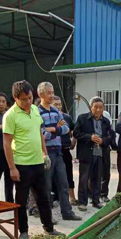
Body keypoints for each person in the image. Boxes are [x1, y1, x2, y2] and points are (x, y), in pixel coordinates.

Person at [3, 80, 60, 239]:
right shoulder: (10, 116)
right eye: (24, 99)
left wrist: (44, 153)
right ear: (15, 98)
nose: (28, 102)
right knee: (21, 201)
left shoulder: (35, 109)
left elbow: (39, 133)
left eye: (29, 98)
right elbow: (6, 143)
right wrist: (12, 168)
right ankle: (23, 232)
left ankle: (49, 228)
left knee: (44, 197)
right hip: (22, 165)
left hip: (38, 163)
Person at [37, 82, 81, 221]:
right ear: (41, 94)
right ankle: (47, 217)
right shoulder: (37, 112)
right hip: (46, 153)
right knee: (46, 186)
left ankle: (67, 212)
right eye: (49, 93)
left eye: (52, 92)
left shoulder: (55, 111)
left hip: (58, 151)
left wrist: (53, 129)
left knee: (64, 183)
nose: (52, 95)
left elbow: (66, 129)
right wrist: (56, 130)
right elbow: (41, 134)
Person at [73, 97, 114, 211]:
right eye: (95, 107)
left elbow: (110, 137)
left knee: (97, 178)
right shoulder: (82, 118)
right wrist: (89, 137)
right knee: (84, 178)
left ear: (103, 108)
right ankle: (82, 202)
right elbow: (76, 133)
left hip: (100, 153)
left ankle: (96, 200)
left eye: (100, 107)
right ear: (91, 107)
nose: (98, 110)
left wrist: (103, 140)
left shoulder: (106, 121)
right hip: (86, 153)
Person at [51, 96, 77, 205]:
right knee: (53, 175)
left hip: (65, 150)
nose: (58, 106)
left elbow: (75, 130)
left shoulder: (66, 117)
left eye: (59, 104)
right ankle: (55, 198)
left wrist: (73, 142)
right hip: (52, 150)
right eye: (55, 104)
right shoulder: (48, 117)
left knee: (68, 174)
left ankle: (72, 197)